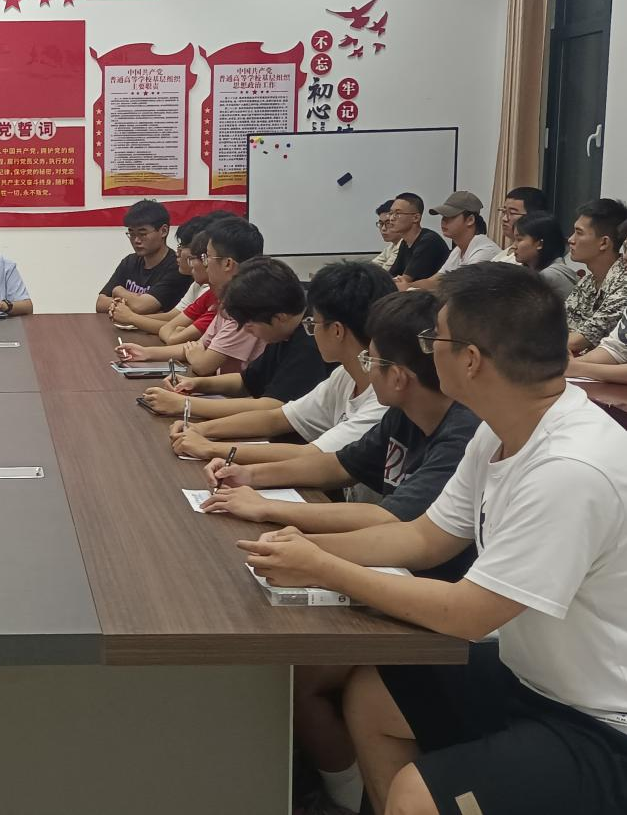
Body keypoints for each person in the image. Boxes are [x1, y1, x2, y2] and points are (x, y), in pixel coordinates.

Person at [239, 264, 627, 815]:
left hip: (602, 718)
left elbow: (467, 614)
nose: (427, 351)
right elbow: (424, 538)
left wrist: (322, 566)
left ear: (470, 360)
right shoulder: (498, 429)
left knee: (417, 796)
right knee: (374, 697)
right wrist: (296, 546)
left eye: (434, 340)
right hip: (531, 679)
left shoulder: (569, 468)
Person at [200, 290, 481, 814]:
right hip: (397, 577)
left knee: (304, 677)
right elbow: (334, 465)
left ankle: (341, 798)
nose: (366, 370)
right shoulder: (404, 413)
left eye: (373, 361)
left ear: (400, 375)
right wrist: (250, 476)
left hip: (428, 599)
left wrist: (281, 523)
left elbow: (398, 525)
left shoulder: (465, 433)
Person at [168, 261, 395, 465]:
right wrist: (199, 428)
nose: (311, 330)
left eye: (314, 323)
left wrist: (209, 446)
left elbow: (315, 456)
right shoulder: (343, 376)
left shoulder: (383, 398)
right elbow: (277, 417)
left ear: (337, 330)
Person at [138, 257, 330, 422]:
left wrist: (185, 404)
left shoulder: (311, 343)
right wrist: (197, 384)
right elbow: (247, 381)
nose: (245, 330)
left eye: (249, 324)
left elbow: (272, 406)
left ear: (279, 318)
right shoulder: (282, 331)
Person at [115, 217, 266, 383]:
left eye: (207, 257)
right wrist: (145, 353)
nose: (204, 263)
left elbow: (202, 365)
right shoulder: (227, 302)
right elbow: (197, 346)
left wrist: (196, 353)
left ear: (228, 264)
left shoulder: (245, 309)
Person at [109, 212, 234, 343]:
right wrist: (130, 316)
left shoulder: (216, 293)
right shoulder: (199, 286)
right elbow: (173, 318)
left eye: (182, 246)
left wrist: (131, 316)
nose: (178, 252)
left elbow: (178, 333)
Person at [96, 199, 194, 314]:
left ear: (163, 231)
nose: (136, 240)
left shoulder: (177, 267)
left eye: (142, 234)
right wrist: (131, 302)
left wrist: (119, 291)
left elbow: (142, 306)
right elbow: (100, 303)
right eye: (132, 234)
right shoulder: (130, 261)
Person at [398, 192, 498, 291]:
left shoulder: (484, 251)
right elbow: (435, 281)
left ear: (470, 220)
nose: (443, 221)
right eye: (443, 216)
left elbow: (461, 291)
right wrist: (407, 285)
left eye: (451, 216)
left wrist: (409, 288)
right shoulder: (458, 250)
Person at [565, 198, 627, 354]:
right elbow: (561, 327)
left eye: (579, 233)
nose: (571, 240)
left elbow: (579, 341)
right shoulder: (588, 281)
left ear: (604, 243)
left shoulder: (624, 283)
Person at [386, 192, 450, 283]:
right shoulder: (405, 243)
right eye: (391, 213)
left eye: (398, 213)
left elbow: (405, 281)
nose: (391, 218)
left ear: (416, 218)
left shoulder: (429, 241)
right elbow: (392, 275)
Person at [513, 211, 579, 300]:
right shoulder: (531, 270)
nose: (514, 246)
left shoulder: (549, 275)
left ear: (540, 244)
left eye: (519, 239)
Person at [492, 186, 547, 263]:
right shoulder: (506, 252)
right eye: (504, 212)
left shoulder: (528, 258)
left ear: (532, 216)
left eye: (512, 213)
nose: (504, 219)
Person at [370, 200, 400, 271]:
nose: (383, 229)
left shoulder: (404, 246)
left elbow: (384, 273)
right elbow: (370, 267)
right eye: (381, 224)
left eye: (388, 223)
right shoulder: (391, 247)